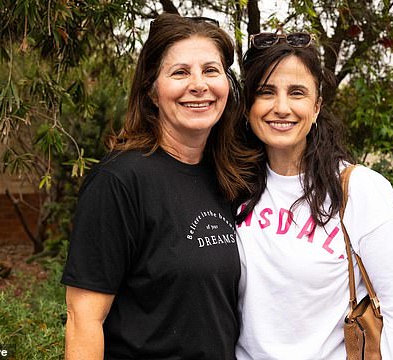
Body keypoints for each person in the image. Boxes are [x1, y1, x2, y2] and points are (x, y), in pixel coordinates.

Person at [62, 13, 254, 360]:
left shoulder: (229, 176)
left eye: (211, 70)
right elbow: (83, 318)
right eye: (180, 72)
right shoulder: (119, 182)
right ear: (152, 90)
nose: (199, 85)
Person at [234, 30, 393, 359]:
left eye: (297, 93)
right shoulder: (233, 184)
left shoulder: (360, 190)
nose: (281, 107)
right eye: (266, 92)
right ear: (248, 105)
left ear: (316, 105)